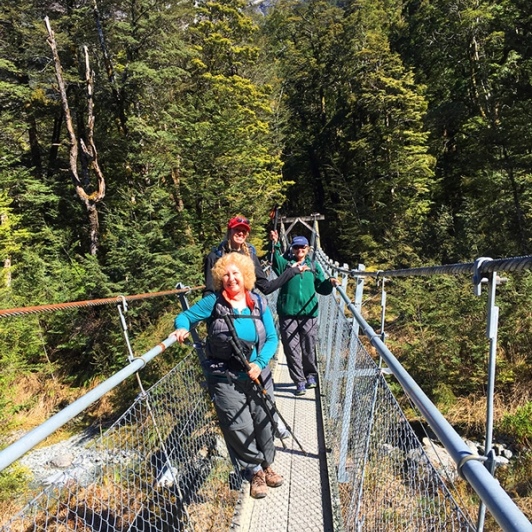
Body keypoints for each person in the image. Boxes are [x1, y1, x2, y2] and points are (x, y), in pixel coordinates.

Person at [172, 252, 284, 499]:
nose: (231, 278)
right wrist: (181, 327)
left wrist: (259, 362)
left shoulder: (258, 301)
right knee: (238, 425)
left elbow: (273, 338)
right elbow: (186, 317)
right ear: (219, 279)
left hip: (257, 373)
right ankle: (254, 471)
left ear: (245, 275)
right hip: (225, 376)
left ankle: (268, 464)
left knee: (264, 420)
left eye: (236, 273)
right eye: (226, 274)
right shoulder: (213, 302)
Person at [270, 231, 339, 396]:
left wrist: (329, 283)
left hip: (309, 312)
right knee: (291, 348)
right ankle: (299, 381)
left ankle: (310, 376)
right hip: (288, 312)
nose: (300, 249)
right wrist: (275, 243)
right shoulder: (285, 265)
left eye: (303, 246)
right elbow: (274, 260)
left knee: (308, 346)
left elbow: (321, 288)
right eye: (296, 247)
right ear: (292, 249)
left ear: (307, 249)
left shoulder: (314, 266)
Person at [203, 215, 304, 297]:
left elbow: (266, 287)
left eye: (244, 231)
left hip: (245, 311)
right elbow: (209, 292)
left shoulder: (250, 256)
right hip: (223, 312)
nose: (241, 233)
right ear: (229, 231)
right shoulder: (215, 257)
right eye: (237, 229)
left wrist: (291, 271)